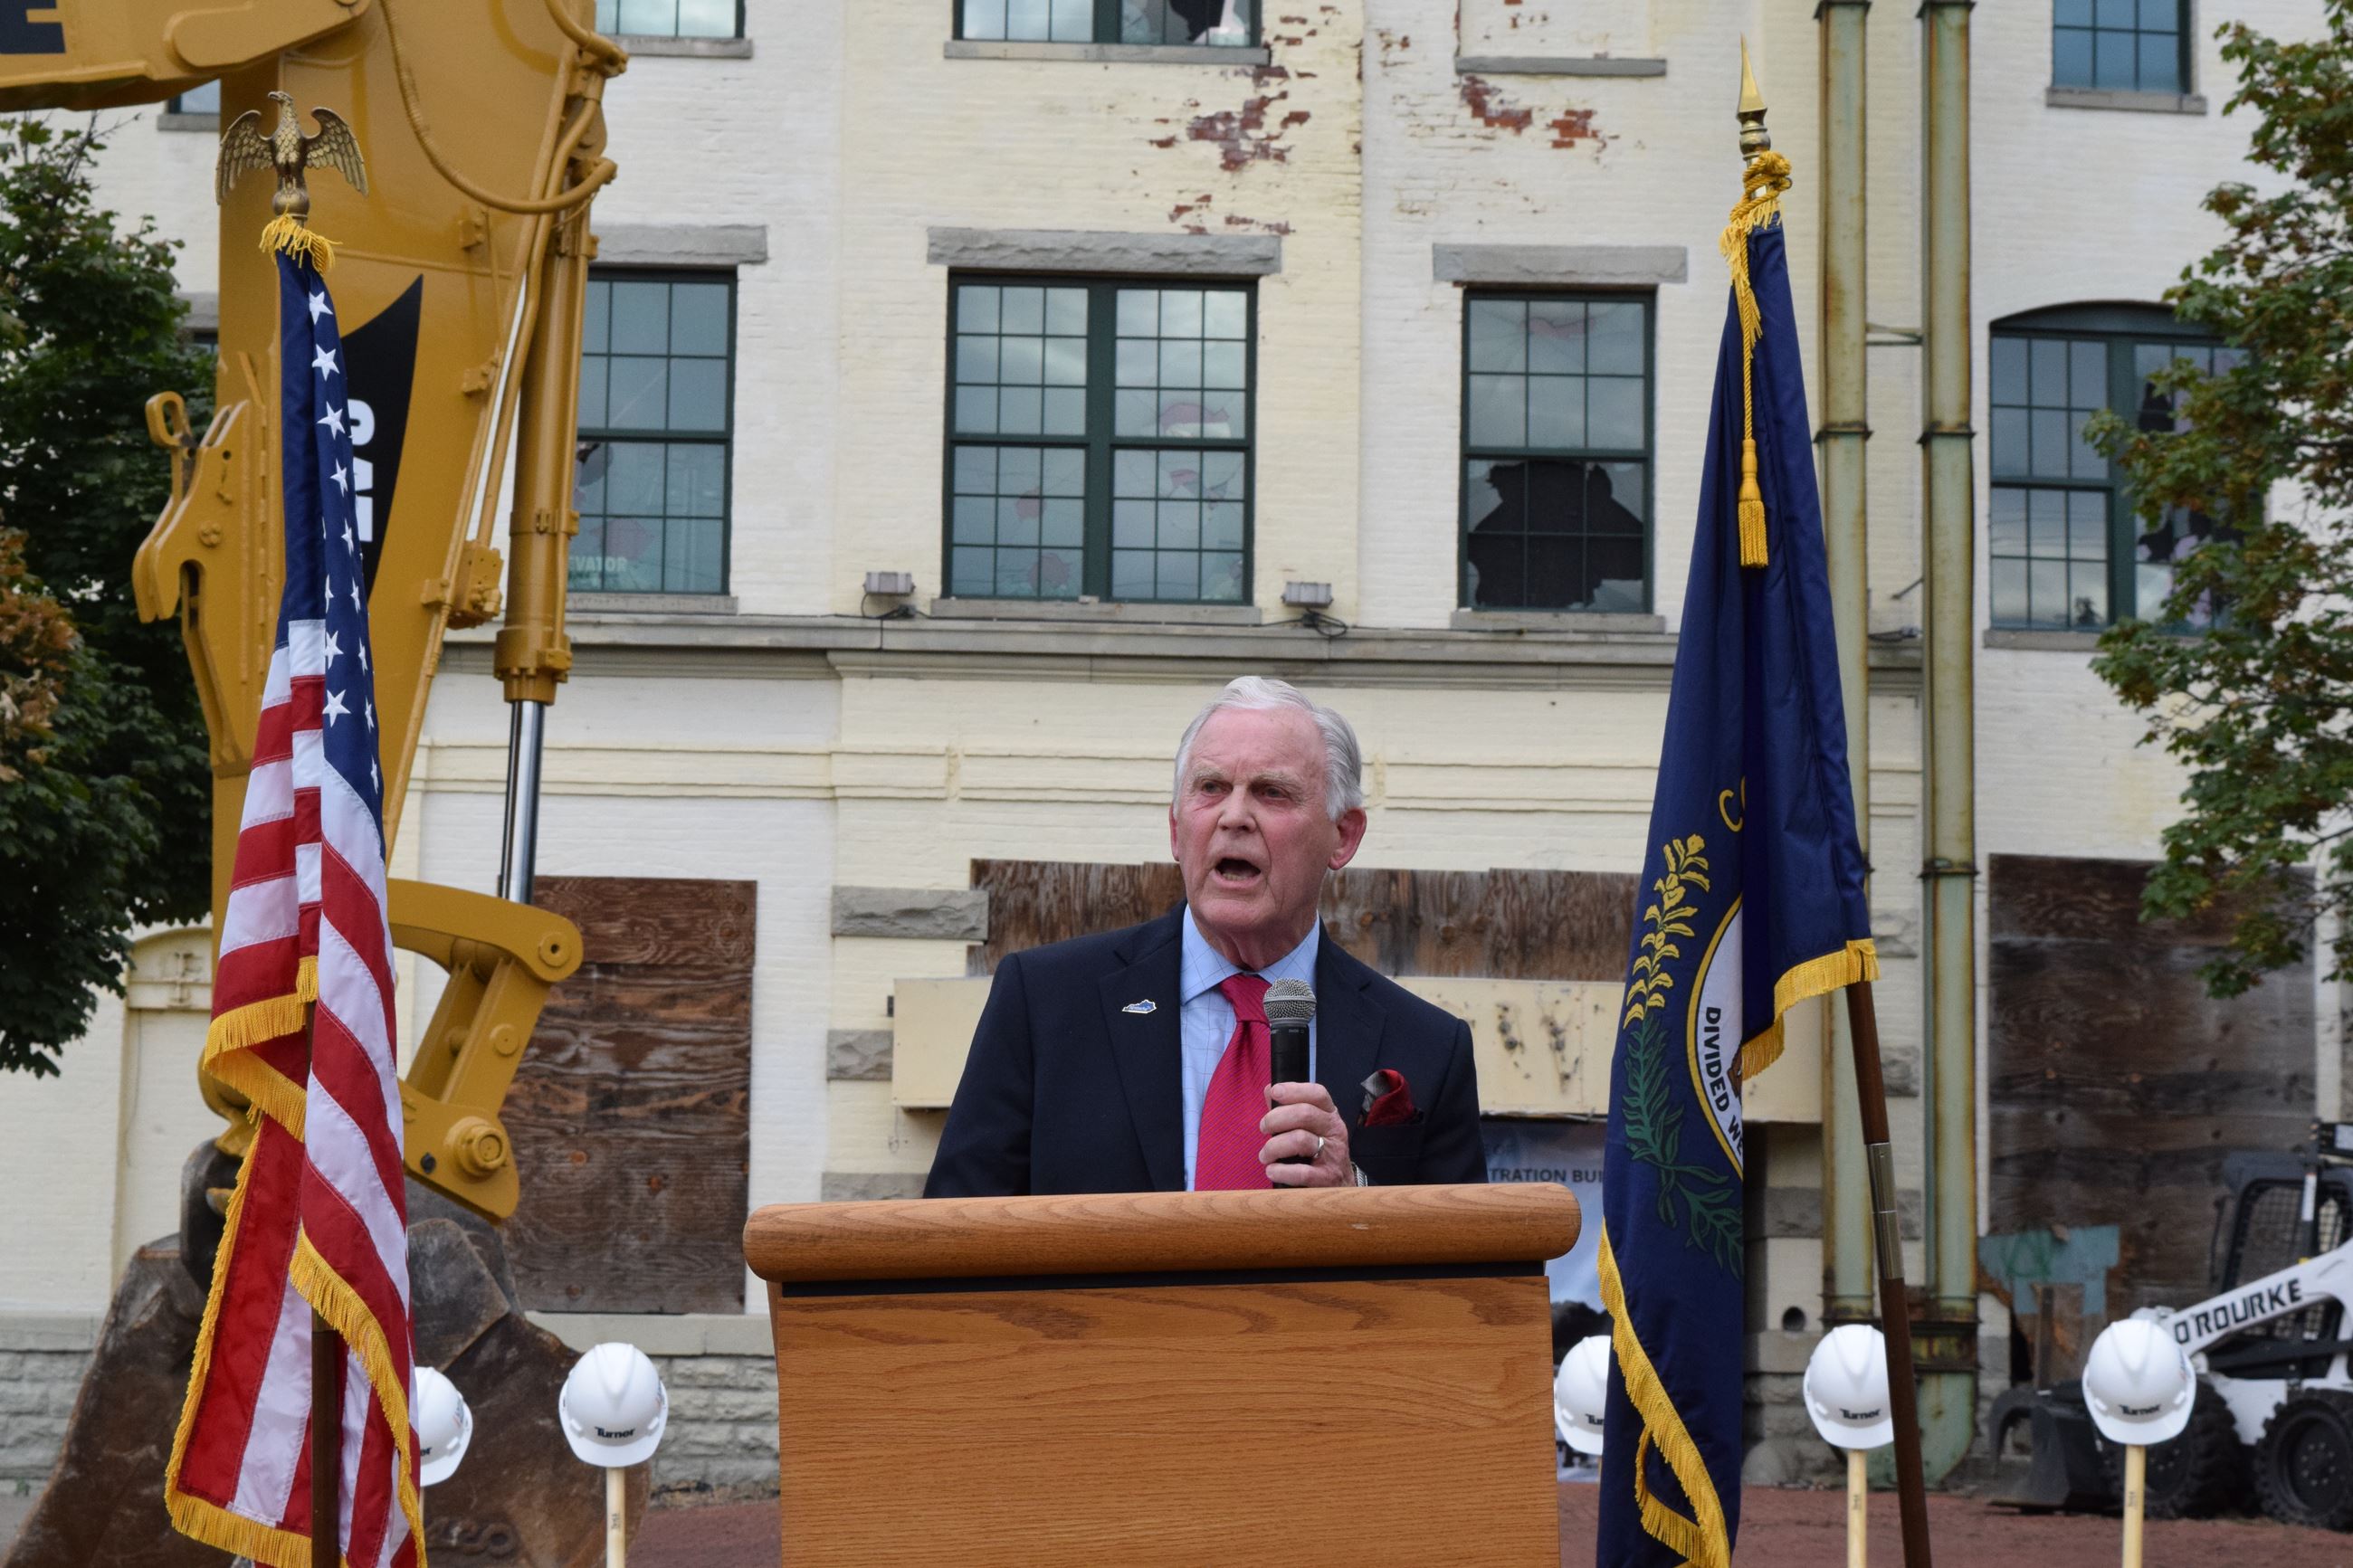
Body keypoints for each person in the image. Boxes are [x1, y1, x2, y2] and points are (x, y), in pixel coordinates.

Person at [925, 676, 1486, 1196]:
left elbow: (1469, 1281)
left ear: (1343, 836)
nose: (1233, 816)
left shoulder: (1430, 1048)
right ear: (1176, 828)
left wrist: (1353, 1200)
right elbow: (951, 1240)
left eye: (1272, 793)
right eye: (1211, 788)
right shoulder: (1045, 1003)